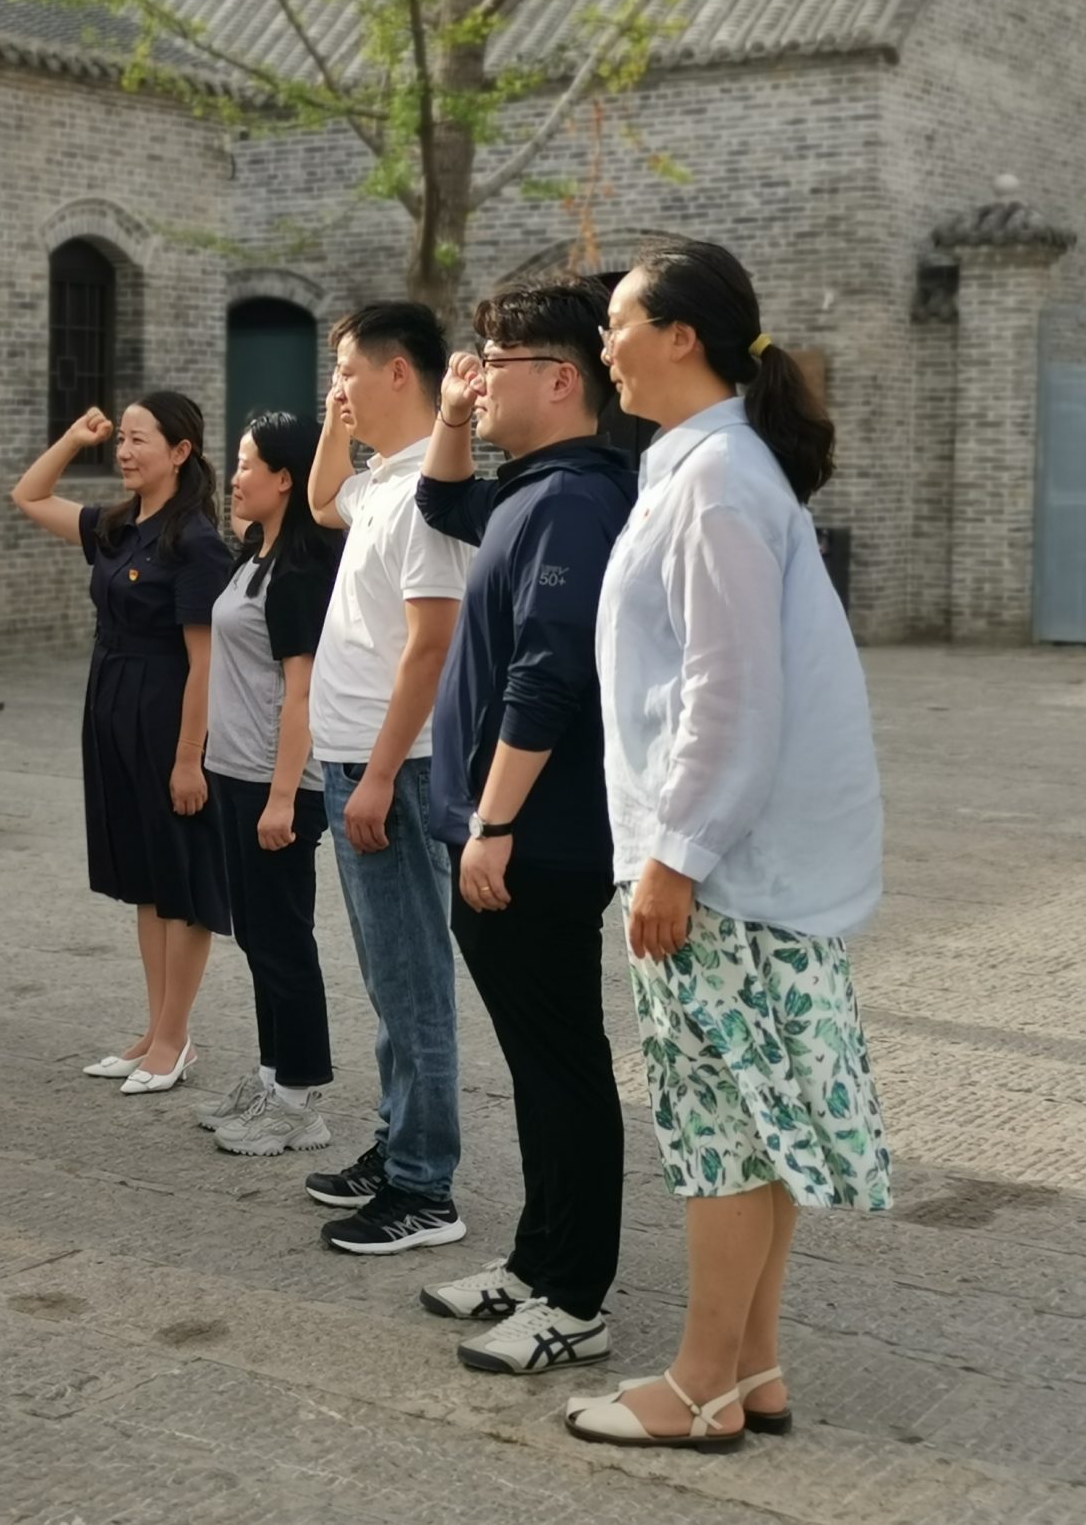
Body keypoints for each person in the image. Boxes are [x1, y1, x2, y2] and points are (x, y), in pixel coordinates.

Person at [564, 239, 891, 1451]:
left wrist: (675, 856)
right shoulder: (711, 463)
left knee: (719, 1126)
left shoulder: (712, 479)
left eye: (617, 322)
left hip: (720, 869)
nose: (604, 344)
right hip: (744, 862)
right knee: (759, 1120)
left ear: (680, 337)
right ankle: (750, 1365)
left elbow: (729, 688)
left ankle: (698, 1382)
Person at [410, 280, 636, 1375]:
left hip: (534, 839)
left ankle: (574, 1298)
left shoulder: (576, 502)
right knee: (538, 1063)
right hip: (506, 833)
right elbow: (439, 502)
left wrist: (493, 821)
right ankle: (537, 1261)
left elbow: (548, 674)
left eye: (493, 364)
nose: (476, 378)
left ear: (559, 378)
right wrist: (455, 416)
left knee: (562, 1068)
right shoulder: (531, 489)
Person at [302, 303, 474, 1254]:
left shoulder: (428, 496)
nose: (338, 387)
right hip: (356, 761)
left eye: (348, 371)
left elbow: (431, 648)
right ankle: (396, 1140)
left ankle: (424, 1187)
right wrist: (336, 423)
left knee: (413, 979)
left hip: (393, 768)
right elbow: (322, 500)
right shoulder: (381, 481)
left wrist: (374, 776)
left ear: (399, 371)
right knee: (386, 974)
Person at [12, 394, 236, 1096]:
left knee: (181, 884)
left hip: (167, 714)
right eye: (122, 440)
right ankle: (156, 1030)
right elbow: (29, 495)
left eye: (140, 440)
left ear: (181, 451)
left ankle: (174, 1039)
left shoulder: (196, 543)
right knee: (146, 878)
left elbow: (205, 661)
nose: (125, 451)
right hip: (111, 706)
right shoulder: (116, 527)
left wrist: (189, 758)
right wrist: (73, 438)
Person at [195, 412, 345, 1157]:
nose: (235, 476)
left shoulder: (297, 574)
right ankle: (270, 1075)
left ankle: (300, 1100)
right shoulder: (256, 554)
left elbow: (302, 693)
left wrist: (285, 796)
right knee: (257, 934)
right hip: (235, 771)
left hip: (273, 782)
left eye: (248, 463)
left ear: (285, 479)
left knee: (283, 938)